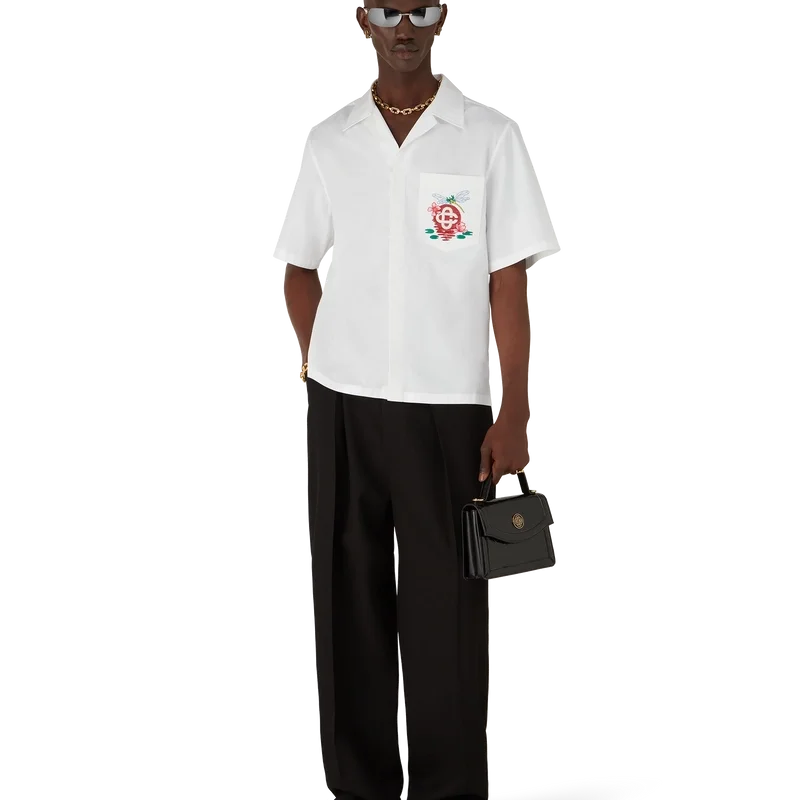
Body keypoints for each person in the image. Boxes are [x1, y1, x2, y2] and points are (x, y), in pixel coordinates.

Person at [276, 2, 560, 798]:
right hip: (344, 404)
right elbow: (299, 268)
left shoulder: (490, 136)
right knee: (346, 592)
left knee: (450, 605)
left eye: (421, 9)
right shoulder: (328, 140)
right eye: (388, 9)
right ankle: (358, 782)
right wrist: (323, 361)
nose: (405, 25)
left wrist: (513, 410)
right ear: (362, 20)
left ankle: (450, 786)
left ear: (444, 19)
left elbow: (508, 279)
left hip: (449, 407)